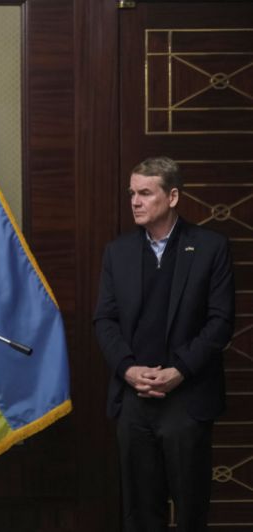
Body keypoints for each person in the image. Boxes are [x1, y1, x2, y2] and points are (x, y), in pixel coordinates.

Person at [94, 156, 235, 531]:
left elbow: (221, 322)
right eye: (132, 194)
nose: (135, 202)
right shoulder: (118, 252)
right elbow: (104, 320)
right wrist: (127, 368)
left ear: (172, 197)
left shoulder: (210, 247)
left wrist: (180, 371)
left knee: (191, 511)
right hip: (134, 400)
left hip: (187, 398)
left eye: (145, 193)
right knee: (139, 512)